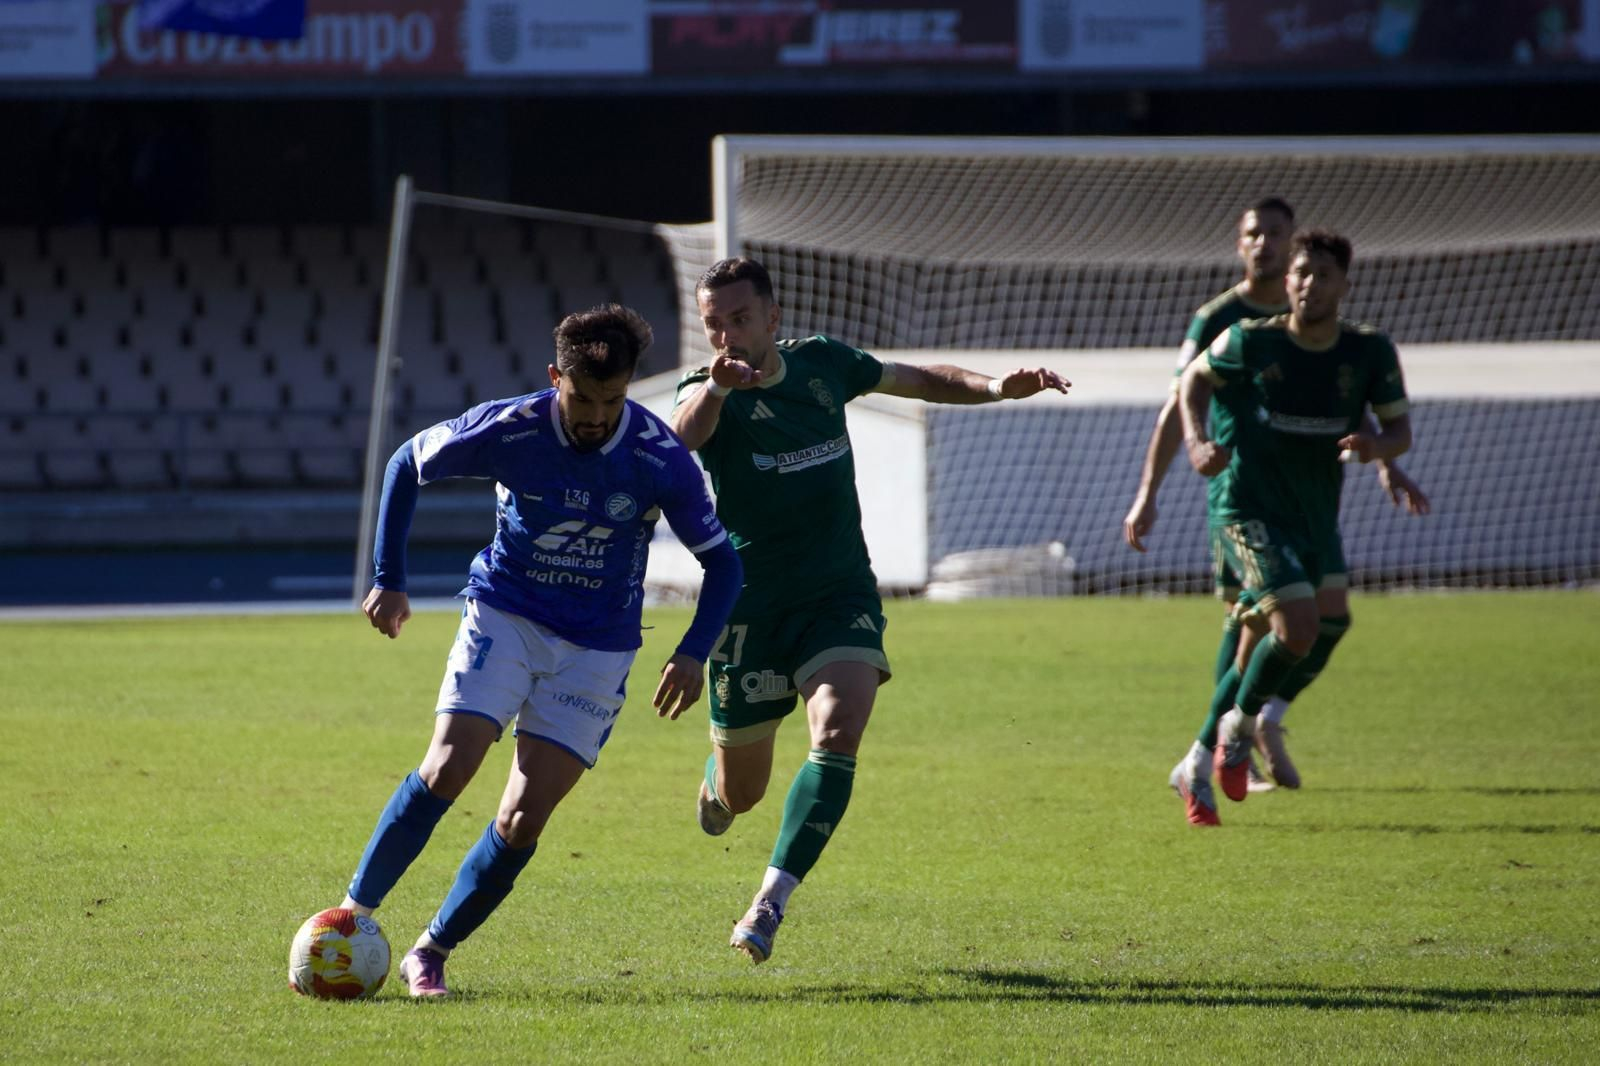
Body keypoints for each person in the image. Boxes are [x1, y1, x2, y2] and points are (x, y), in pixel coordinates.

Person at [330, 304, 742, 997]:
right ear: (557, 378)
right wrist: (388, 581)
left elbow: (724, 564)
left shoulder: (656, 455)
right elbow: (408, 462)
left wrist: (694, 652)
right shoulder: (514, 427)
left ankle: (431, 951)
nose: (595, 416)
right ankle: (351, 918)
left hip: (598, 647)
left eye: (611, 401)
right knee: (449, 765)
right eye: (582, 398)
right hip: (506, 613)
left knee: (522, 819)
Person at [669, 257, 1070, 963]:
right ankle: (718, 788)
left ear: (772, 318)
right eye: (714, 325)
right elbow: (682, 437)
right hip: (751, 610)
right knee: (744, 792)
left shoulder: (823, 365)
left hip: (838, 594)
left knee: (838, 728)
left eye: (740, 319)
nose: (727, 335)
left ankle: (769, 902)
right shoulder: (707, 390)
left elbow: (916, 379)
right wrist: (717, 391)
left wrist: (995, 387)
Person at [1123, 197, 1429, 789]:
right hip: (1242, 493)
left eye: (1275, 235)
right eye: (1253, 234)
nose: (1266, 246)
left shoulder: (1360, 347)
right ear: (1245, 246)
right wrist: (1156, 483)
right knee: (1265, 622)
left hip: (1313, 500)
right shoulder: (1227, 325)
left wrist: (1385, 461)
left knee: (1311, 623)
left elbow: (1366, 419)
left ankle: (1242, 728)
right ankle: (1220, 743)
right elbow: (1183, 393)